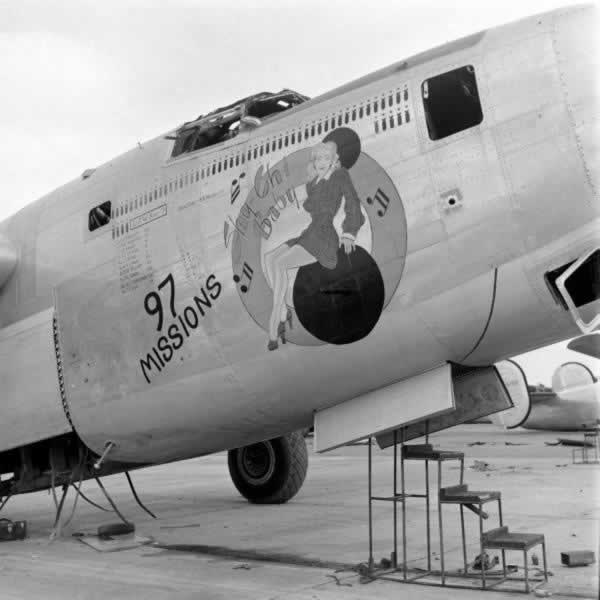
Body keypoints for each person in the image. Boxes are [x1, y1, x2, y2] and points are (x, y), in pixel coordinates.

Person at [264, 141, 365, 350]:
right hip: (309, 233)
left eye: (326, 158)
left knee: (281, 265)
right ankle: (283, 310)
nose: (321, 162)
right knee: (269, 258)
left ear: (333, 160)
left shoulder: (339, 176)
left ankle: (275, 325)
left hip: (323, 238)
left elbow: (353, 203)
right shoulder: (313, 182)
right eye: (318, 158)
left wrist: (349, 233)